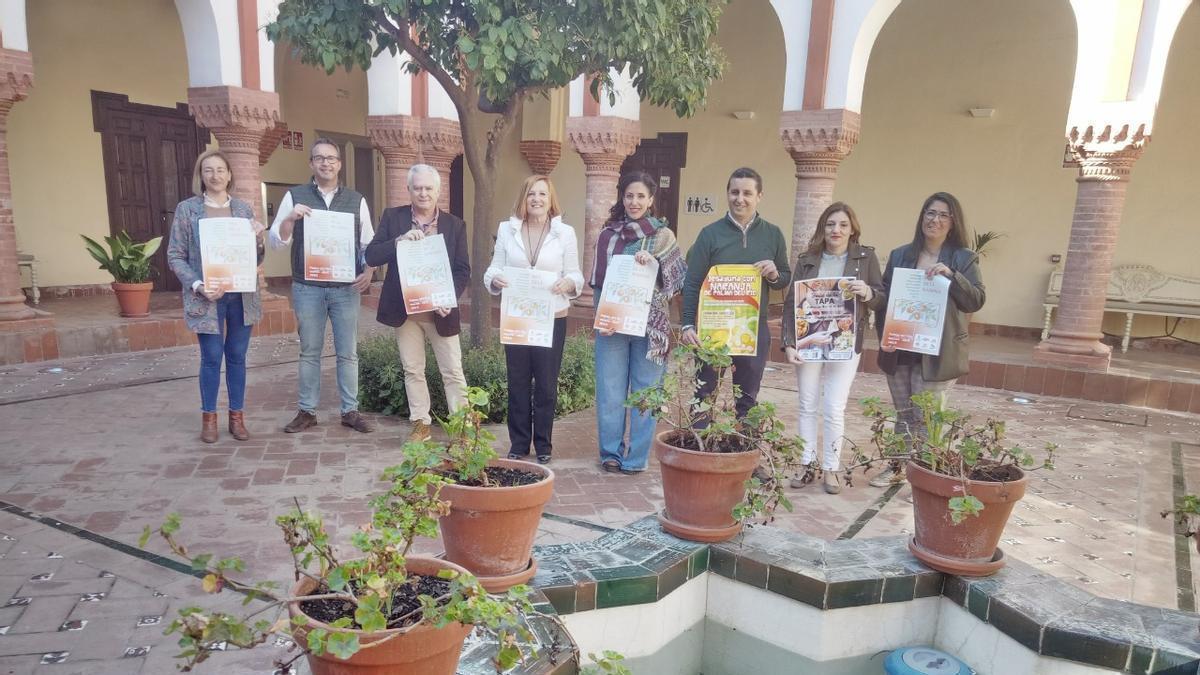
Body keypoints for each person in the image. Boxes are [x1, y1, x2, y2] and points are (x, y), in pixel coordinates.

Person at [869, 191, 986, 487]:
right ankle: (897, 468)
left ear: (953, 221)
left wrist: (952, 276)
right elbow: (885, 297)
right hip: (900, 347)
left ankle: (926, 476)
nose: (935, 220)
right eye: (930, 213)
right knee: (904, 413)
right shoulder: (900, 255)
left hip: (937, 351)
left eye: (943, 214)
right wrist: (884, 334)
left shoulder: (963, 258)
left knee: (927, 417)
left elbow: (975, 300)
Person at [268, 138, 376, 434]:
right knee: (309, 350)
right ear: (311, 164)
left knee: (348, 351)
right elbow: (277, 242)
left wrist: (369, 270)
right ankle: (307, 411)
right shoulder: (295, 196)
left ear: (339, 164)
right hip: (308, 287)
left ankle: (350, 410)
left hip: (345, 288)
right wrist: (290, 218)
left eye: (331, 158)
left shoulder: (357, 200)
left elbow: (368, 242)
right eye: (319, 158)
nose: (325, 163)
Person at [780, 202, 884, 493]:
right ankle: (806, 464)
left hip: (844, 343)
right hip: (810, 341)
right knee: (806, 405)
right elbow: (792, 303)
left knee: (834, 407)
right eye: (830, 224)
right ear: (822, 228)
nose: (835, 230)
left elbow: (881, 296)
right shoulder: (807, 260)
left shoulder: (866, 258)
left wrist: (869, 293)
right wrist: (789, 342)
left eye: (842, 225)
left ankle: (831, 468)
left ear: (852, 230)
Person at [364, 164, 470, 443]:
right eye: (418, 188)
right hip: (405, 311)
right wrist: (397, 241)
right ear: (408, 190)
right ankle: (420, 424)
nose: (423, 193)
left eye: (428, 188)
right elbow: (372, 256)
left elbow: (462, 270)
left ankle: (461, 428)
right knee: (412, 370)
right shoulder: (393, 218)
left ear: (438, 191)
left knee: (453, 371)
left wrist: (449, 298)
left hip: (440, 311)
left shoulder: (455, 225)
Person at [591, 171, 687, 474]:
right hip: (613, 327)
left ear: (651, 200)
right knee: (610, 390)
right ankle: (610, 453)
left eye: (640, 196)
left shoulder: (663, 236)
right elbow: (598, 282)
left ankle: (635, 458)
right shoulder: (609, 235)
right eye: (629, 196)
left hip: (651, 329)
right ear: (622, 198)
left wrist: (654, 264)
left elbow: (676, 279)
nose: (634, 202)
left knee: (646, 393)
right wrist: (601, 318)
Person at [167, 149, 266, 443]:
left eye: (221, 169)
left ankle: (237, 417)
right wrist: (197, 284)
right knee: (211, 357)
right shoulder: (188, 210)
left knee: (237, 356)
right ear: (201, 175)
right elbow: (175, 256)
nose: (215, 175)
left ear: (230, 174)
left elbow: (256, 259)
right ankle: (209, 418)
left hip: (241, 296)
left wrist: (258, 239)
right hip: (207, 297)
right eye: (208, 170)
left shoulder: (244, 210)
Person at [483, 175, 584, 464]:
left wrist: (568, 284)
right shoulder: (507, 229)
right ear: (523, 199)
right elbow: (492, 270)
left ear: (551, 199)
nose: (537, 199)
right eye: (531, 194)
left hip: (551, 317)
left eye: (542, 194)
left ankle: (543, 445)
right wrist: (496, 279)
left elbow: (576, 274)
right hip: (517, 317)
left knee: (546, 384)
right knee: (517, 381)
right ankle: (518, 443)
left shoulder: (565, 233)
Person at [680, 167, 792, 420]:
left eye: (747, 193)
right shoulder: (710, 234)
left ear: (759, 196)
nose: (739, 198)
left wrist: (773, 273)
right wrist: (688, 324)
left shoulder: (772, 234)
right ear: (727, 194)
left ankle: (746, 451)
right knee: (704, 395)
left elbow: (783, 278)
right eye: (734, 192)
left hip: (752, 328)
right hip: (713, 327)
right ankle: (699, 452)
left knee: (748, 396)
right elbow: (693, 282)